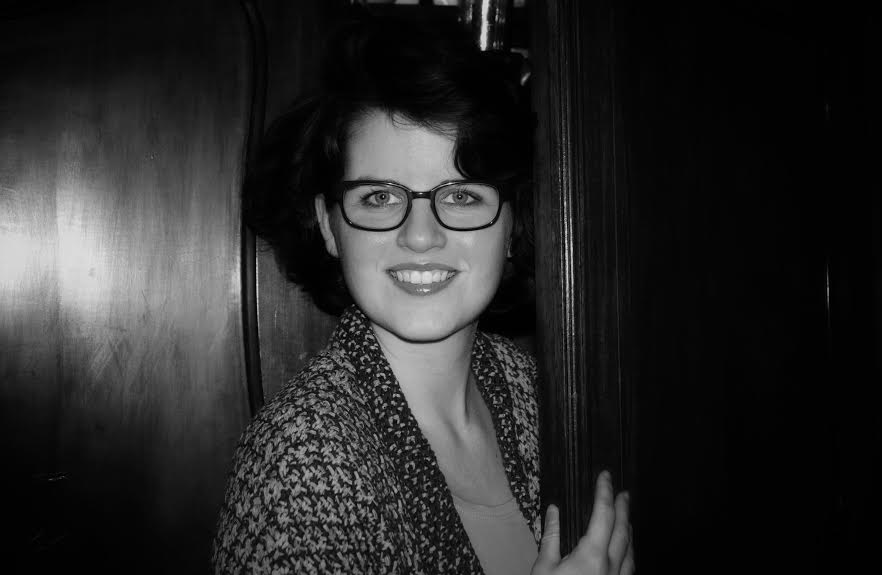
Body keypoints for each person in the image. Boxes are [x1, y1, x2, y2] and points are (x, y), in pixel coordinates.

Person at [212, 13, 633, 575]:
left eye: (460, 195)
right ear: (330, 225)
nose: (420, 236)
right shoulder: (297, 469)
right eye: (380, 197)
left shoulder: (541, 392)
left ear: (513, 222)